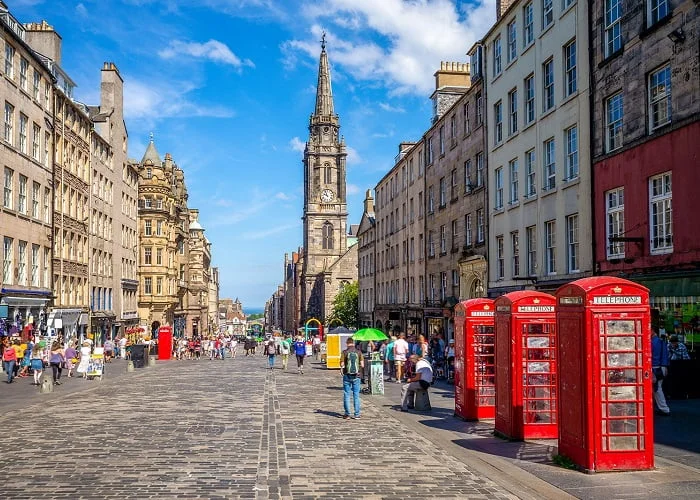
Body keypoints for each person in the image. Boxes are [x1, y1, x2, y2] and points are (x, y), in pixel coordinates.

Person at [340, 337, 364, 419]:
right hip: (357, 376)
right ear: (353, 343)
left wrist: (342, 369)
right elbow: (362, 365)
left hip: (347, 375)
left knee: (347, 394)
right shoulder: (359, 352)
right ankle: (357, 414)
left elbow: (342, 364)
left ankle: (347, 414)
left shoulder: (344, 352)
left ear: (347, 343)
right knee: (356, 395)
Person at [651, 328, 671, 416]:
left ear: (652, 331)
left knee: (657, 389)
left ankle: (664, 409)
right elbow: (666, 354)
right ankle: (659, 407)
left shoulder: (652, 342)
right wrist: (665, 366)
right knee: (656, 388)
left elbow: (651, 357)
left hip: (655, 368)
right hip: (662, 367)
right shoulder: (661, 341)